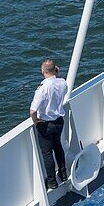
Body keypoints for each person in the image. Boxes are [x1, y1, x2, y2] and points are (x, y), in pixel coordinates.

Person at [30, 58, 68, 190]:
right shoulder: (63, 83)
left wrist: (35, 121)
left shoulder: (43, 88)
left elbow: (33, 110)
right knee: (58, 147)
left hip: (45, 125)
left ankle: (52, 182)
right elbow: (60, 82)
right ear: (55, 70)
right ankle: (63, 174)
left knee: (47, 154)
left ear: (42, 71)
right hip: (58, 121)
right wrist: (57, 73)